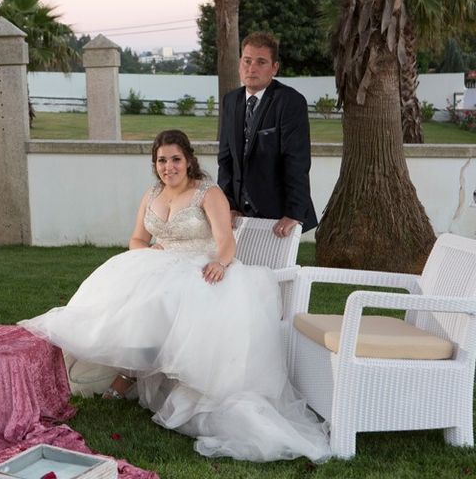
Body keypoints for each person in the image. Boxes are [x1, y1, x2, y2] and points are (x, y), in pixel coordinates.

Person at [19, 130, 330, 463]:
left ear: (189, 160)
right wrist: (149, 251)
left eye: (175, 159)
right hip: (161, 264)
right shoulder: (152, 193)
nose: (169, 167)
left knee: (161, 300)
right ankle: (128, 371)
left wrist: (220, 263)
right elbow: (136, 239)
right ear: (155, 164)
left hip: (201, 267)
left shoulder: (207, 193)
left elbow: (226, 241)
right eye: (162, 160)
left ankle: (131, 377)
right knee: (127, 298)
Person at [218, 32, 318, 238]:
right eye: (247, 61)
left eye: (261, 62)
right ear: (239, 63)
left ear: (274, 67)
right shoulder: (231, 101)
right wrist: (227, 205)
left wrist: (294, 213)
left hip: (278, 214)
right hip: (238, 215)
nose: (251, 68)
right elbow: (226, 159)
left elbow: (297, 161)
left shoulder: (290, 102)